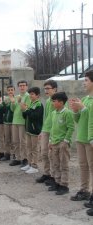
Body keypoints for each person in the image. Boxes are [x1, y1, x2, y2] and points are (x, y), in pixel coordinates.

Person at [69, 71, 93, 216]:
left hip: (90, 139)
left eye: (86, 80)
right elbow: (79, 120)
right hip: (81, 138)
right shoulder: (86, 99)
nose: (84, 83)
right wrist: (76, 110)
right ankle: (84, 190)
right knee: (83, 167)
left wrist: (83, 108)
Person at [48, 92, 74, 195]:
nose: (53, 103)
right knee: (55, 163)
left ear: (61, 102)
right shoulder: (54, 113)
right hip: (54, 142)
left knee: (64, 164)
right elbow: (53, 128)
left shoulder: (67, 113)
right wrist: (50, 140)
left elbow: (71, 127)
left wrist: (65, 141)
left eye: (54, 101)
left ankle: (64, 185)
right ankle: (57, 182)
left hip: (62, 143)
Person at [36, 80, 58, 185]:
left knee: (52, 155)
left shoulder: (58, 100)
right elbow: (46, 117)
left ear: (55, 89)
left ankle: (54, 176)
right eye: (45, 89)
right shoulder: (48, 100)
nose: (46, 90)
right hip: (45, 130)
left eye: (48, 88)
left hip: (53, 131)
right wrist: (42, 130)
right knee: (43, 153)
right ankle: (46, 173)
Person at [21, 87, 44, 174]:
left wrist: (26, 110)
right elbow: (25, 116)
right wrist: (24, 110)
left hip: (35, 130)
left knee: (35, 148)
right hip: (28, 129)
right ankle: (29, 163)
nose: (30, 96)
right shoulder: (31, 103)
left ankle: (34, 166)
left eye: (32, 94)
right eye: (30, 94)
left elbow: (35, 116)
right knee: (28, 147)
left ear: (37, 95)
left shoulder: (39, 105)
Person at [9, 80, 31, 167]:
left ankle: (24, 158)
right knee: (15, 141)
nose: (22, 87)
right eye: (20, 85)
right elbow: (12, 109)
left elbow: (26, 108)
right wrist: (13, 102)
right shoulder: (17, 96)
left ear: (26, 87)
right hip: (15, 121)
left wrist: (19, 102)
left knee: (23, 141)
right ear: (18, 87)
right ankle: (17, 158)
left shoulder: (28, 96)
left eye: (23, 85)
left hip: (22, 121)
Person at [2, 85, 15, 161]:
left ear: (14, 91)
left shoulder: (16, 99)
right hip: (6, 122)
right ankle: (7, 154)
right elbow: (3, 110)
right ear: (7, 91)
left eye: (11, 90)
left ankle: (14, 154)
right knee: (7, 139)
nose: (10, 91)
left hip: (13, 122)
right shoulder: (6, 100)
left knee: (14, 140)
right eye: (9, 90)